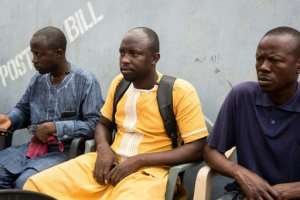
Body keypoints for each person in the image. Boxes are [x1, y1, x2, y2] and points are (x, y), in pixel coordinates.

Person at [23, 27, 208, 200]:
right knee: (35, 186)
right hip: (107, 164)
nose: (125, 59)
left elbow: (197, 148)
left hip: (149, 173)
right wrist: (103, 149)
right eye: (122, 52)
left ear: (154, 58)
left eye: (134, 53)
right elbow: (103, 123)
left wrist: (139, 161)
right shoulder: (120, 83)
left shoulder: (179, 91)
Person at [0, 26, 103, 189]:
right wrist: (10, 119)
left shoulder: (85, 81)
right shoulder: (37, 80)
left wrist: (56, 128)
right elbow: (23, 109)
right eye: (33, 54)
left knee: (25, 183)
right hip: (32, 148)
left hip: (65, 153)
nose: (34, 60)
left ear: (59, 53)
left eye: (39, 54)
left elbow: (95, 124)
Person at [204, 26, 300, 200]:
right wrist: (240, 173)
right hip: (246, 194)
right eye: (259, 59)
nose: (263, 67)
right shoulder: (242, 96)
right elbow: (211, 152)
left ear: (298, 65)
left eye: (274, 60)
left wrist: (281, 193)